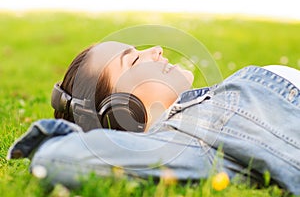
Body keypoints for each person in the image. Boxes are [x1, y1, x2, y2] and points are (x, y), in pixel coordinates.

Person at [7, 41, 300, 195]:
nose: (157, 50)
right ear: (123, 109)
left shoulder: (200, 110)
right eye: (134, 61)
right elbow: (56, 158)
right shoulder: (183, 143)